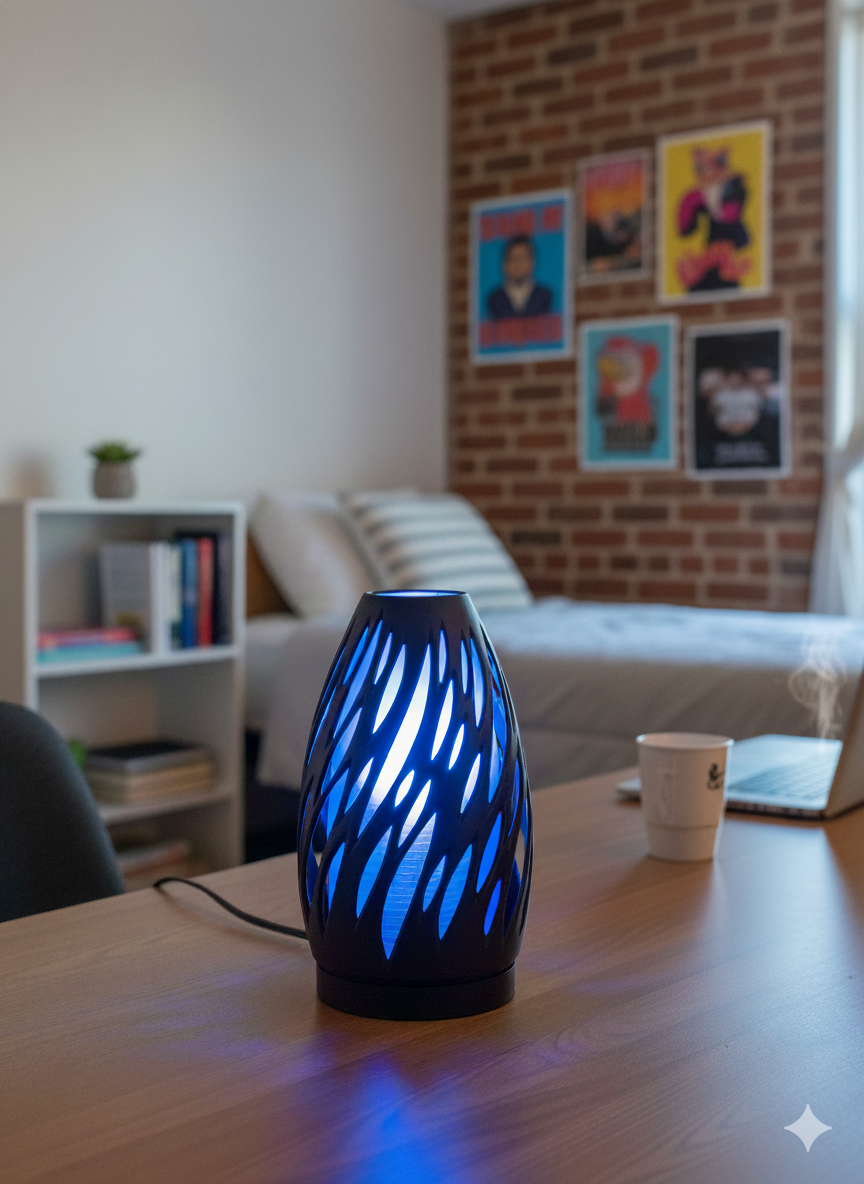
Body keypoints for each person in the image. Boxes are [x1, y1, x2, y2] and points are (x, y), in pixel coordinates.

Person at [487, 236, 553, 319]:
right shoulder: (494, 299)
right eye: (514, 258)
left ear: (532, 262)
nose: (518, 264)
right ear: (504, 264)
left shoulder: (545, 295)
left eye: (522, 258)